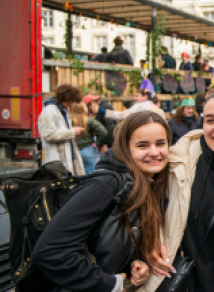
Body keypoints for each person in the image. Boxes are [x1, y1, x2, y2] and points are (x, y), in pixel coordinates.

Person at [32, 111, 170, 292]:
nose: (154, 152)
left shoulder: (146, 184)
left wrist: (136, 264)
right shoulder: (105, 185)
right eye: (142, 145)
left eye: (160, 143)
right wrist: (111, 284)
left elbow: (107, 247)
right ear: (126, 149)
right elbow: (49, 251)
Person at [141, 91, 214, 292]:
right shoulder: (182, 161)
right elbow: (150, 200)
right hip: (190, 281)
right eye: (210, 120)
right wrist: (152, 239)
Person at [38, 85, 85, 175]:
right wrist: (72, 132)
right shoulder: (49, 111)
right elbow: (49, 135)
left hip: (65, 159)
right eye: (71, 100)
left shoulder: (63, 111)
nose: (72, 104)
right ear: (64, 97)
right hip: (55, 159)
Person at [70, 102, 108, 174]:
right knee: (90, 174)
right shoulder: (89, 120)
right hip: (88, 150)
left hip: (74, 150)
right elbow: (103, 132)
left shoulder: (69, 121)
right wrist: (98, 143)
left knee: (75, 174)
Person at [91, 88, 165, 121]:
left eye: (137, 96)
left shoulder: (140, 106)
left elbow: (121, 116)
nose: (134, 98)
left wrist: (101, 110)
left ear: (145, 97)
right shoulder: (159, 110)